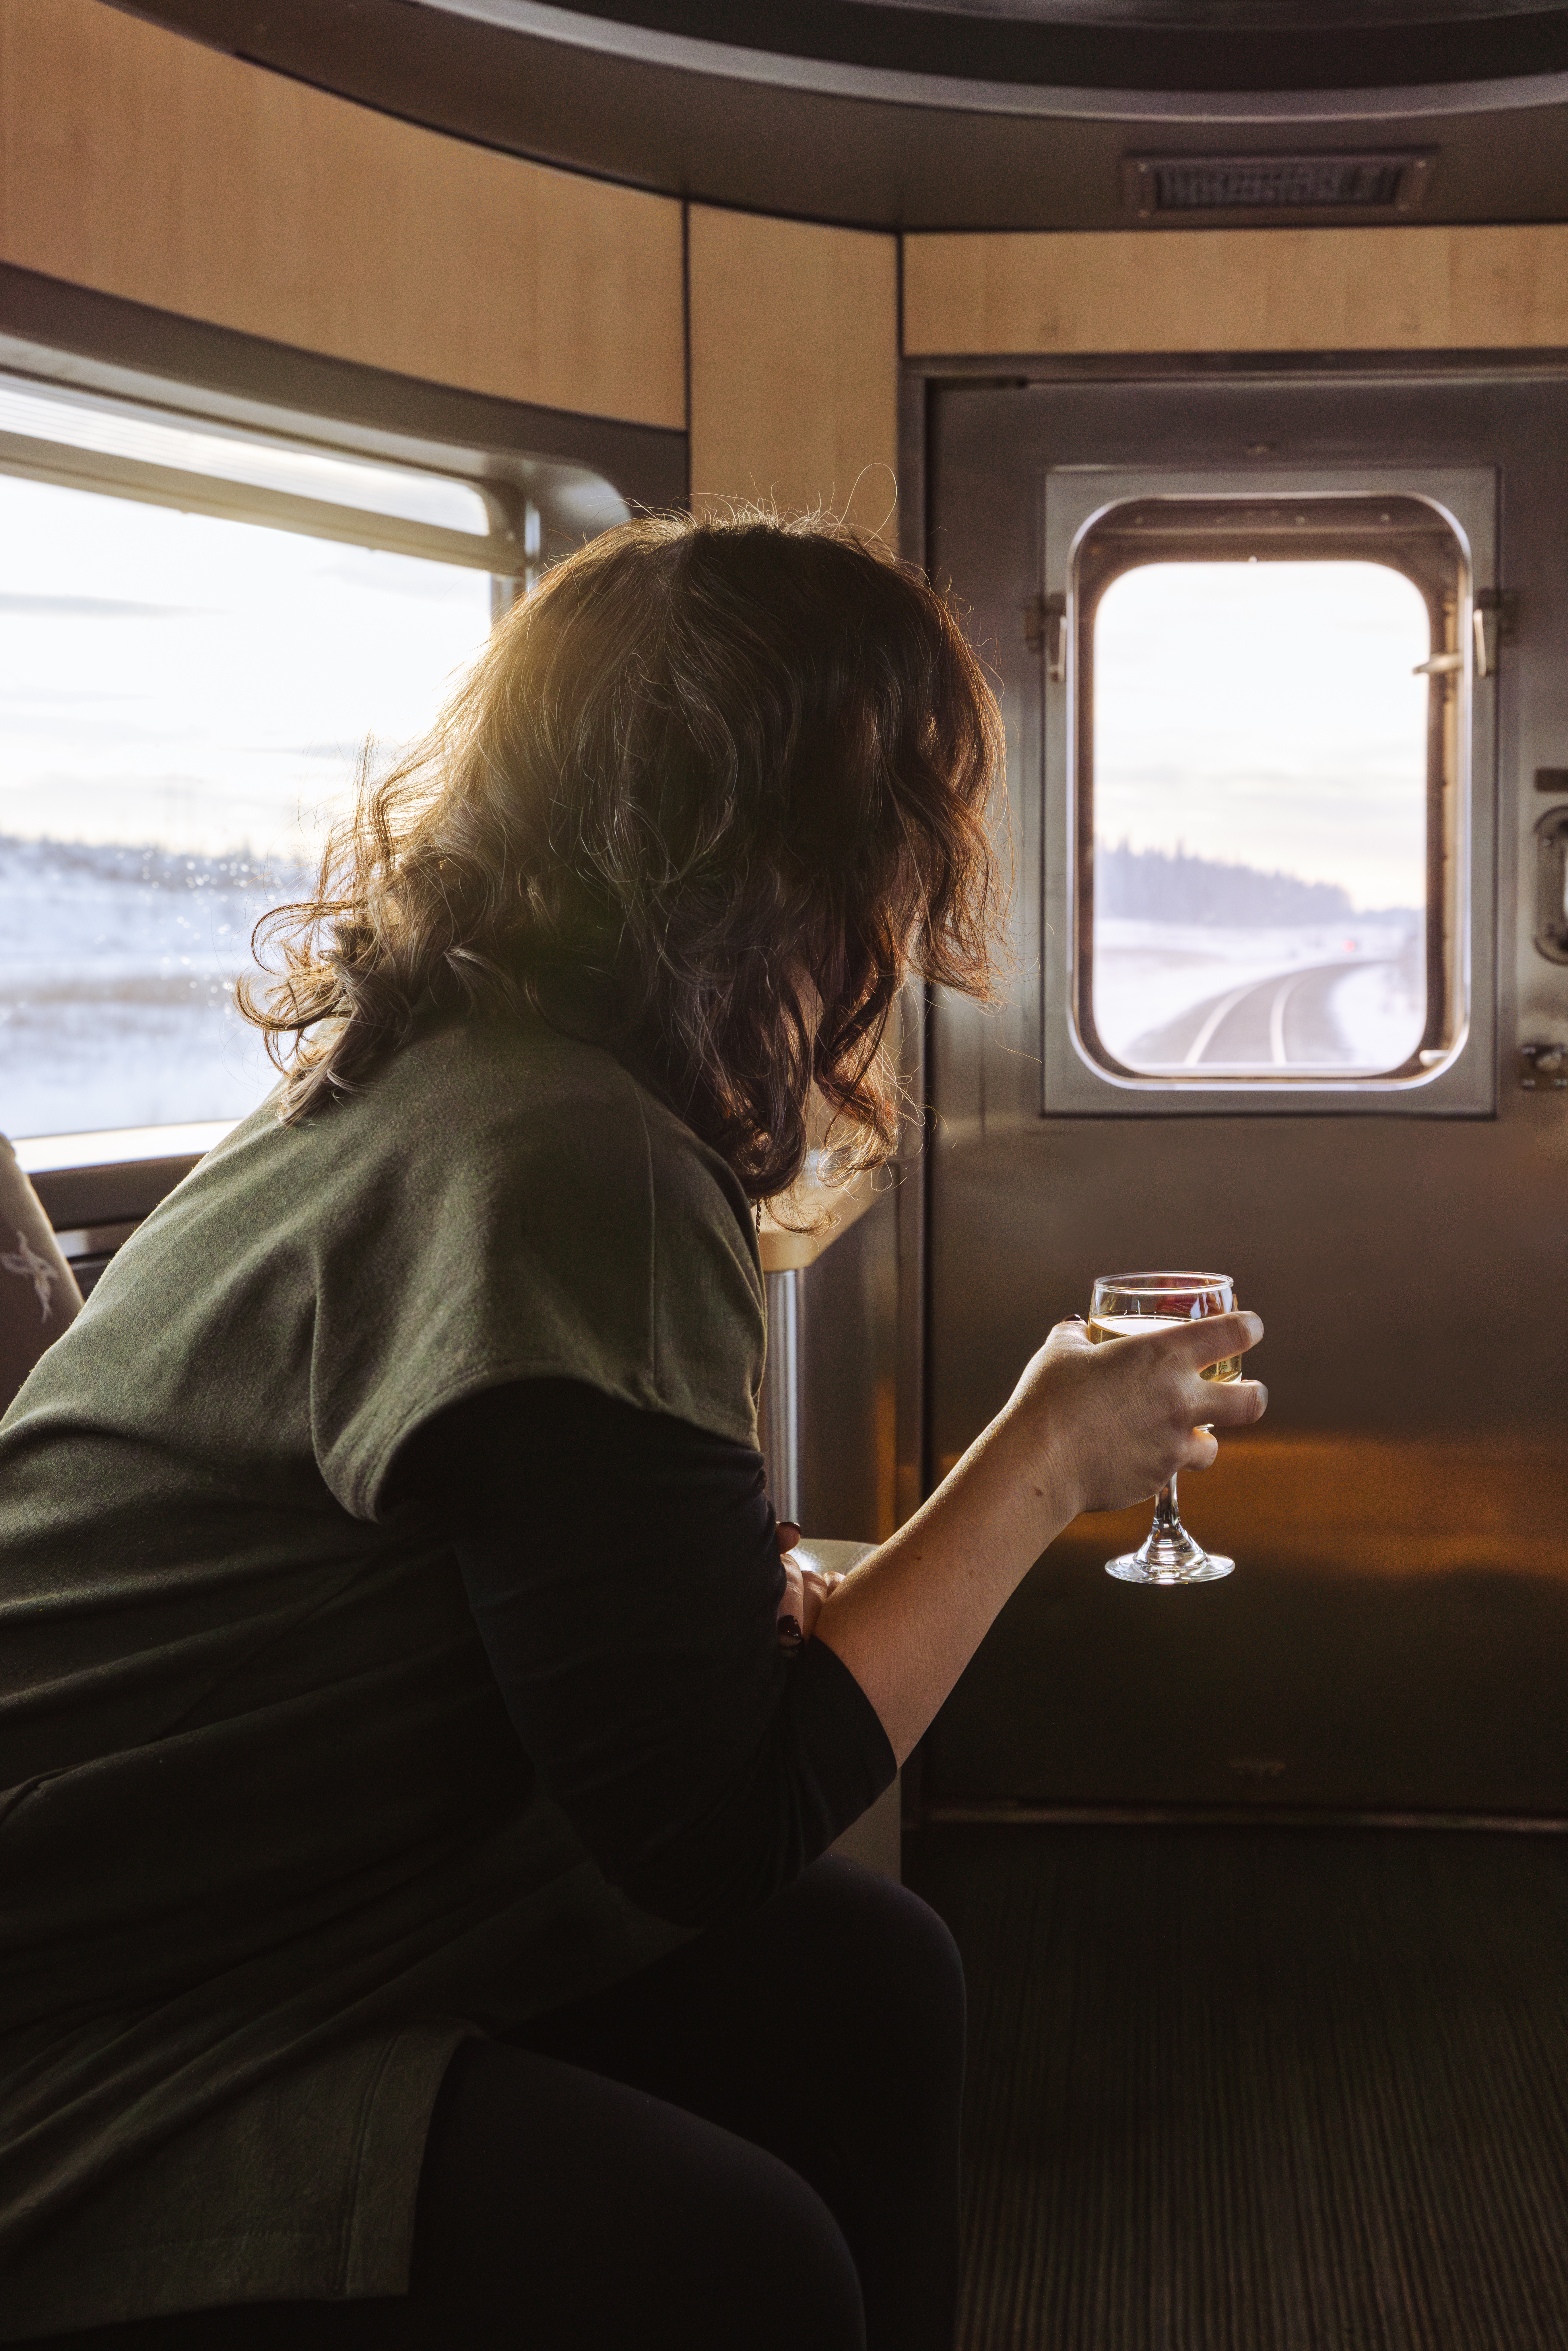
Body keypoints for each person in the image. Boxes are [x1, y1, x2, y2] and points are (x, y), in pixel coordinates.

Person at [0, 512, 1265, 2351]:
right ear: (794, 855)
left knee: (864, 1974)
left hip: (268, 1893)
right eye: (906, 822)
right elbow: (714, 1826)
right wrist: (1045, 1462)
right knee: (732, 2262)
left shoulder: (428, 1077)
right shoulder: (572, 1162)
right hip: (101, 2006)